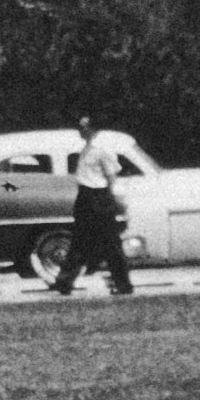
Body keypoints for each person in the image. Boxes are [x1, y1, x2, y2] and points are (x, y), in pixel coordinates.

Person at [46, 125, 136, 298]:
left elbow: (111, 176)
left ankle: (123, 284)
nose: (81, 130)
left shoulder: (101, 149)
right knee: (79, 241)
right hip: (86, 196)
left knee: (110, 244)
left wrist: (109, 199)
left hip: (98, 196)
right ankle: (64, 282)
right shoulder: (86, 148)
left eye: (85, 127)